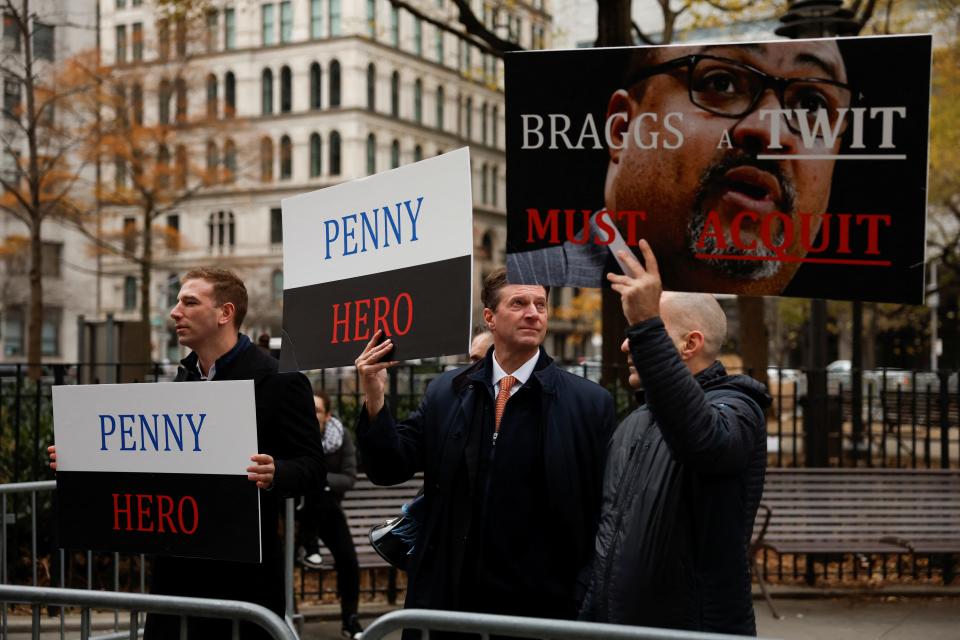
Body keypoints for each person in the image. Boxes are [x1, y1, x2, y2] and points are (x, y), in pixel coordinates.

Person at [52, 268, 325, 640]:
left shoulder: (280, 380)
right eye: (178, 301)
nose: (175, 312)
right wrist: (81, 456)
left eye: (189, 302)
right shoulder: (182, 379)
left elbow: (313, 468)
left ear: (224, 313)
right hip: (177, 571)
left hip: (243, 577)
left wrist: (276, 472)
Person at [354, 267, 615, 622]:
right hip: (450, 600)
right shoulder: (447, 391)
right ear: (490, 318)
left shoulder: (589, 402)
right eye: (519, 303)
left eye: (540, 304)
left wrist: (584, 589)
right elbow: (388, 467)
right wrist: (374, 397)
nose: (533, 313)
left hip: (541, 605)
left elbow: (604, 509)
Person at [508, 40, 850, 296]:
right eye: (721, 83)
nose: (769, 130)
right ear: (622, 128)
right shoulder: (527, 277)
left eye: (812, 105)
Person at [580, 241, 770, 635]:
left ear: (690, 344)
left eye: (645, 330)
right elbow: (609, 535)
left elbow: (703, 441)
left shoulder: (738, 408)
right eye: (634, 330)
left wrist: (647, 323)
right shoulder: (634, 423)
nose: (626, 344)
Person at [298, 390, 363, 639]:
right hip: (296, 512)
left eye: (317, 411)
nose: (312, 416)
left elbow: (348, 478)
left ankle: (350, 620)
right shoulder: (297, 435)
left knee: (348, 560)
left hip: (327, 512)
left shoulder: (341, 437)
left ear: (327, 415)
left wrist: (318, 478)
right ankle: (308, 546)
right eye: (308, 410)